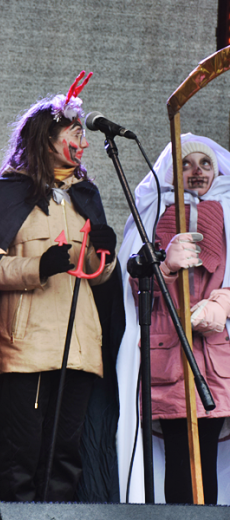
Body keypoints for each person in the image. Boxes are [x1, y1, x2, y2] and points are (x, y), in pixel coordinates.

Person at [0, 73, 122, 502]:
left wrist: (102, 256)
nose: (83, 141)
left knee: (65, 459)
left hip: (79, 347)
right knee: (22, 458)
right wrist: (38, 266)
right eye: (74, 132)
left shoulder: (85, 196)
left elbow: (99, 278)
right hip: (26, 348)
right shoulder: (6, 194)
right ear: (46, 137)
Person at [117, 134, 230, 504]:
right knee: (179, 457)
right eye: (186, 163)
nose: (196, 171)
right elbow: (132, 283)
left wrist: (223, 304)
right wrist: (163, 265)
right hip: (166, 350)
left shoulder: (228, 213)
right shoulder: (154, 212)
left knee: (207, 460)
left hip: (213, 355)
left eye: (205, 164)